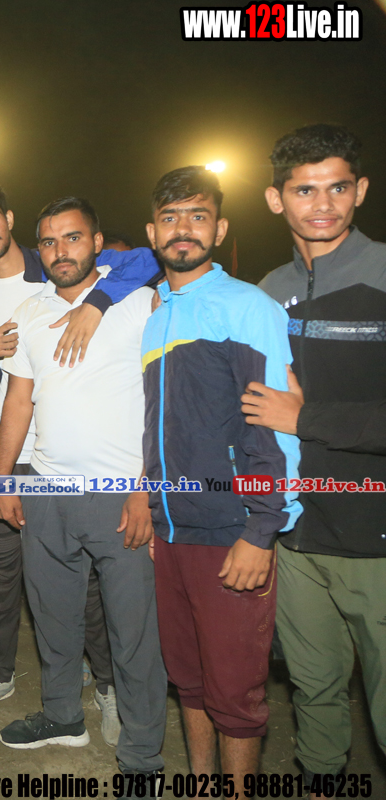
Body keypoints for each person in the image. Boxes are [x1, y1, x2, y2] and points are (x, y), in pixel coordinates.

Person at [0, 181, 157, 724]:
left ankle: (107, 685)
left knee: (88, 588)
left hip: (78, 462)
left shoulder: (62, 271)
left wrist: (97, 302)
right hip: (8, 451)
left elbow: (147, 258)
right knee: (0, 574)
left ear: (9, 219)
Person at [142, 165, 300, 787]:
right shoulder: (158, 315)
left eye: (198, 216)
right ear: (152, 231)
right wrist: (156, 513)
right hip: (172, 531)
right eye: (171, 218)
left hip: (233, 531)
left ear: (220, 228)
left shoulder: (246, 306)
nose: (183, 229)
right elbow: (161, 430)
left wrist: (261, 531)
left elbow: (273, 431)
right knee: (189, 680)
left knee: (235, 696)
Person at [249, 124, 386, 787]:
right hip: (297, 535)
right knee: (314, 690)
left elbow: (294, 411)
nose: (323, 204)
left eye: (337, 187)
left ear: (360, 190)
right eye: (305, 190)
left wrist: (305, 418)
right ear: (276, 199)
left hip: (375, 535)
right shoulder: (267, 290)